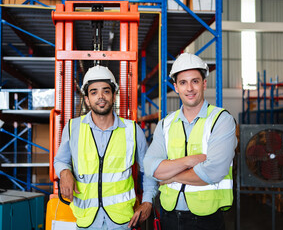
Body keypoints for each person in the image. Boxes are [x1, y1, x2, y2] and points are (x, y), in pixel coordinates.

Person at [54, 65, 157, 230]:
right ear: (87, 99)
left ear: (114, 96)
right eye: (94, 92)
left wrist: (147, 201)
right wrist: (64, 172)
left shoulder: (132, 130)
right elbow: (60, 160)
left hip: (122, 221)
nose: (100, 97)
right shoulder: (73, 128)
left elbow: (149, 170)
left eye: (106, 91)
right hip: (87, 221)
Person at [143, 53, 237, 230]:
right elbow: (150, 167)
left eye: (195, 81)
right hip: (169, 215)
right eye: (183, 82)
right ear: (176, 87)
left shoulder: (221, 120)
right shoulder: (165, 124)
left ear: (204, 84)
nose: (190, 88)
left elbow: (213, 171)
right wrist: (189, 161)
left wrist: (170, 176)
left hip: (207, 218)